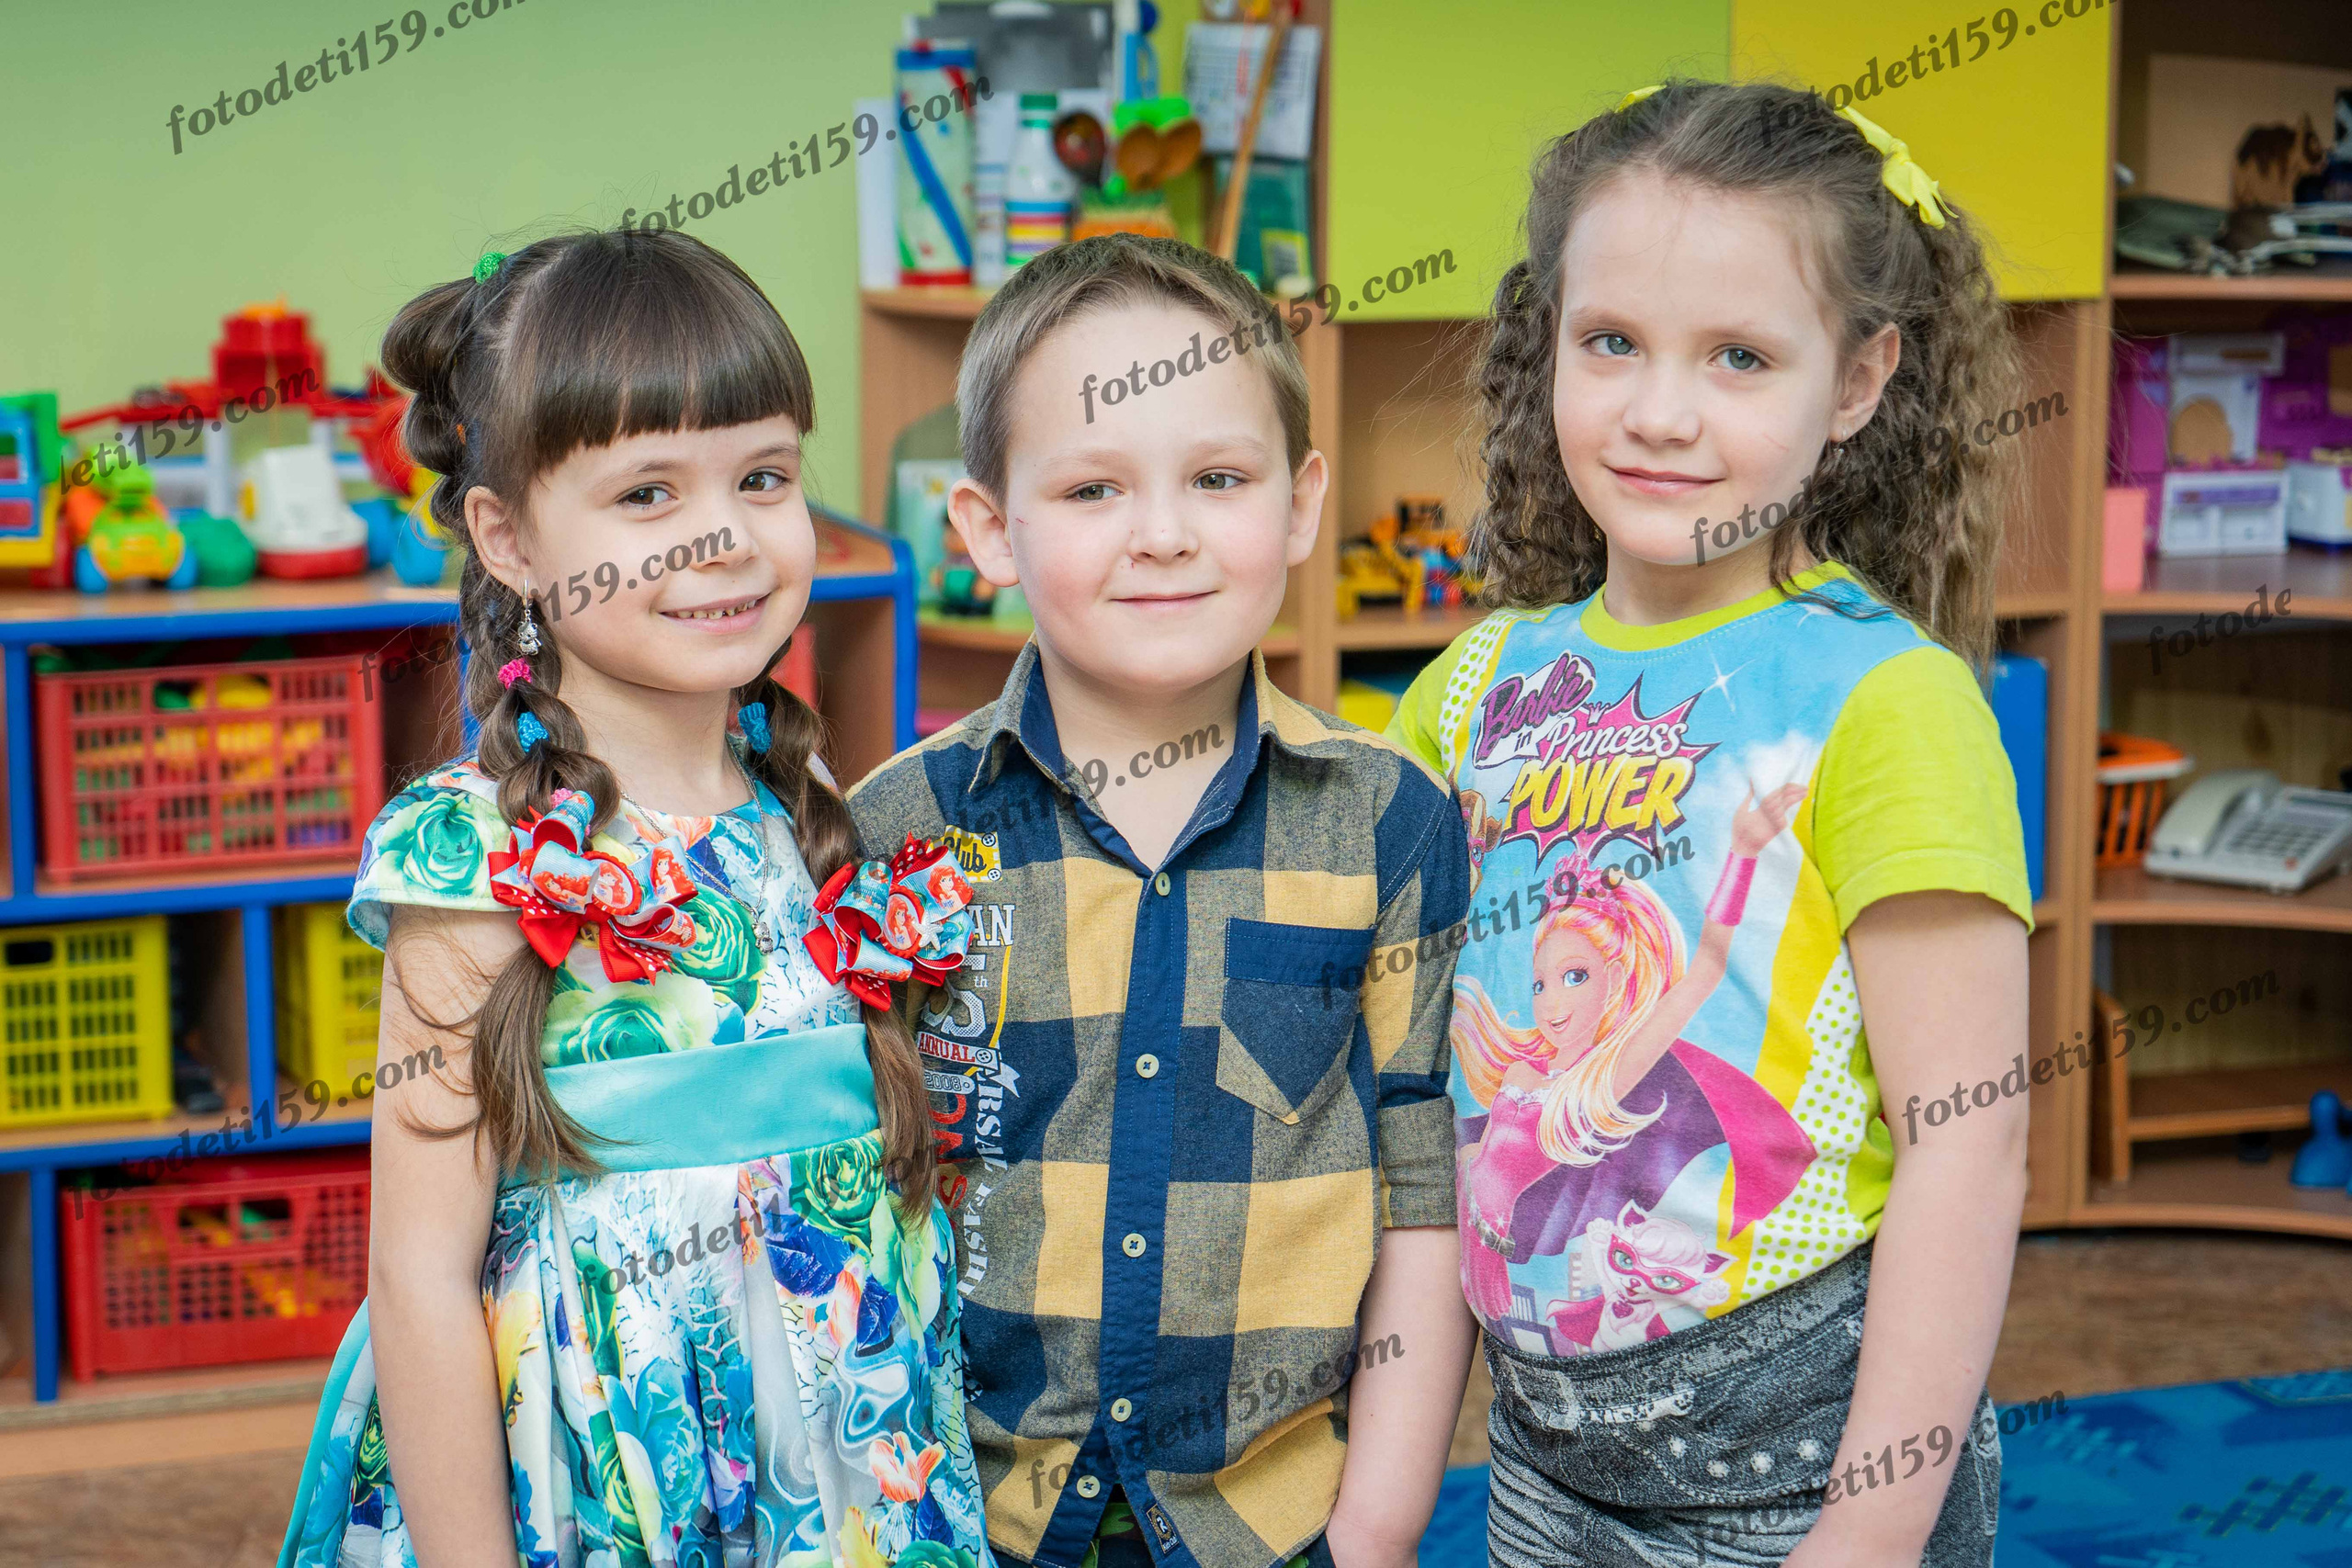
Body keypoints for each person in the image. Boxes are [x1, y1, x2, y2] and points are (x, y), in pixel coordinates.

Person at [1386, 80, 2034, 1567]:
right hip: (1545, 1447)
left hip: (1801, 1464)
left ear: (1860, 382)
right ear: (1547, 338)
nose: (1660, 412)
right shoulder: (1469, 689)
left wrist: (1868, 1535)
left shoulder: (1889, 701)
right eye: (1611, 341)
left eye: (1740, 357)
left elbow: (1967, 1145)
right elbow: (1413, 1096)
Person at [280, 229, 992, 1568]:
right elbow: (419, 1281)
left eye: (763, 475)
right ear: (507, 536)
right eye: (648, 494)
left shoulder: (807, 805)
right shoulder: (476, 861)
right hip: (604, 1488)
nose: (725, 537)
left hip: (848, 1482)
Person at [844, 233, 1479, 1568]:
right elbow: (846, 1186)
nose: (1166, 534)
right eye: (1090, 488)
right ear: (986, 530)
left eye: (1218, 478)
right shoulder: (897, 827)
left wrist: (1382, 1516)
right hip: (961, 1515)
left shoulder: (1390, 823)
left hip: (1280, 1523)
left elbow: (1425, 1187)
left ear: (1300, 504)